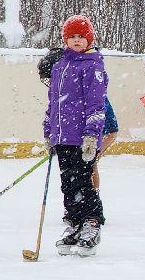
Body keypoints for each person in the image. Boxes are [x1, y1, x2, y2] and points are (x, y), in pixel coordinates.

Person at [43, 16, 110, 256]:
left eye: (81, 36)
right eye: (72, 37)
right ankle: (74, 222)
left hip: (82, 137)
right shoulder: (60, 66)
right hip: (62, 136)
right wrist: (48, 130)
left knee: (83, 182)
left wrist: (92, 135)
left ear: (89, 38)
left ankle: (91, 222)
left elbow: (96, 104)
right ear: (65, 40)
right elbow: (53, 103)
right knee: (67, 185)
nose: (76, 41)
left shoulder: (93, 66)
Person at [41, 47, 118, 196]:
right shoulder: (65, 88)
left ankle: (91, 199)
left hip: (102, 129)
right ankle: (82, 200)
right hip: (89, 129)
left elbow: (100, 113)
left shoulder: (87, 86)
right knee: (84, 167)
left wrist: (92, 137)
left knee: (89, 164)